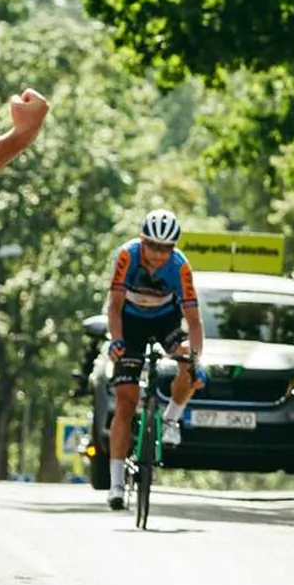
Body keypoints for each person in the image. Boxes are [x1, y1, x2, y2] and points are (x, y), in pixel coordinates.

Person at [103, 209, 205, 510]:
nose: (159, 255)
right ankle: (117, 484)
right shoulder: (127, 256)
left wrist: (196, 359)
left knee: (188, 360)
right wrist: (117, 340)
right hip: (130, 324)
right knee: (125, 399)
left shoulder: (180, 266)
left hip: (165, 322)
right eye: (153, 246)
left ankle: (172, 418)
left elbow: (194, 321)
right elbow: (114, 306)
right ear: (142, 240)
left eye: (166, 248)